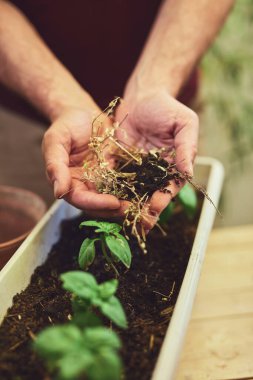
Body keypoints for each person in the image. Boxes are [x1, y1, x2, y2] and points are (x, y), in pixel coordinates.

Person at [0, 0, 234, 230]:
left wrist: (153, 86)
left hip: (163, 115)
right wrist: (63, 101)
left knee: (174, 218)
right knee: (38, 232)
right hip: (25, 113)